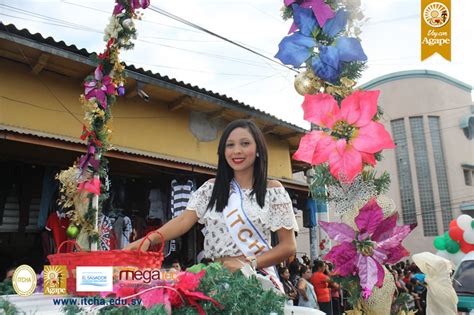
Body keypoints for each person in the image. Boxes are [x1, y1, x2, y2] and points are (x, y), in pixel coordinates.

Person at [125, 119, 298, 290]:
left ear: (258, 149)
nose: (237, 151)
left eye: (245, 143)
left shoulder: (273, 190)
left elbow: (288, 246)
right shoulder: (210, 189)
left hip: (256, 279)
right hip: (217, 280)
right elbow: (183, 220)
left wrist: (249, 264)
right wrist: (149, 239)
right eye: (230, 145)